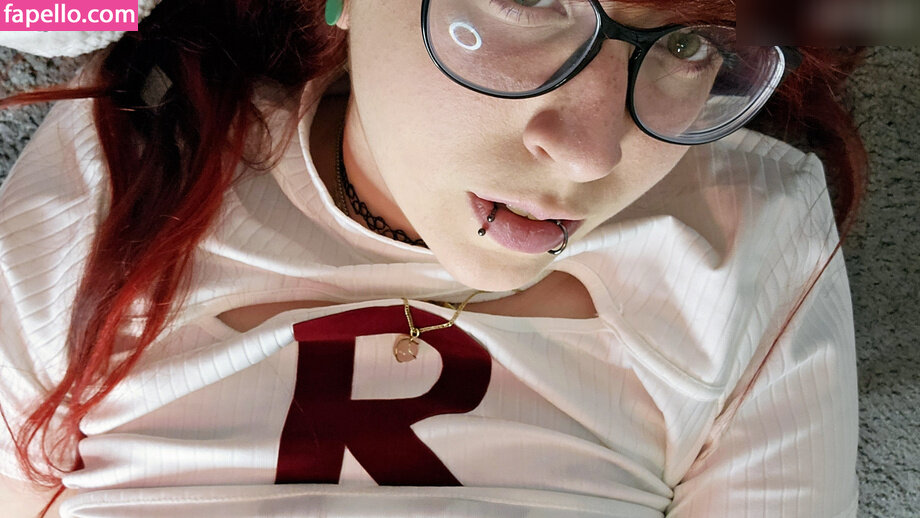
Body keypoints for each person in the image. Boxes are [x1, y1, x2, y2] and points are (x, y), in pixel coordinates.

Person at [0, 0, 866, 516]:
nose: (592, 151)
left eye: (690, 44)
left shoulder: (745, 221)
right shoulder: (137, 163)